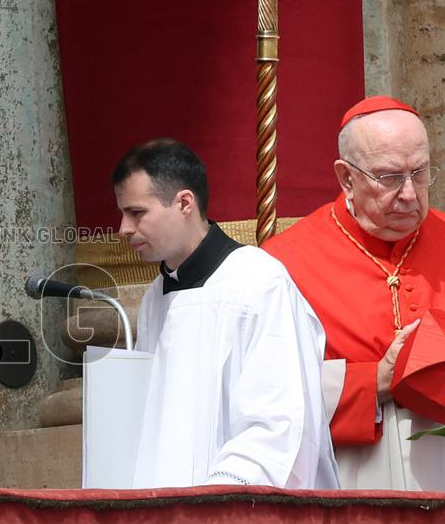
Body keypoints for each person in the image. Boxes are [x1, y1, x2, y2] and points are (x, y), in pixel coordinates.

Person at [113, 138, 338, 489]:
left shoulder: (259, 283)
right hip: (166, 508)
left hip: (235, 510)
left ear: (184, 202)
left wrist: (215, 496)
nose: (124, 228)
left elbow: (278, 423)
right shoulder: (155, 298)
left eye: (136, 212)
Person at [264, 96, 445, 490]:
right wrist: (374, 380)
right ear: (346, 177)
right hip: (352, 473)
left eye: (420, 172)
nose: (411, 194)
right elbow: (265, 392)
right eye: (390, 178)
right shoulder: (281, 265)